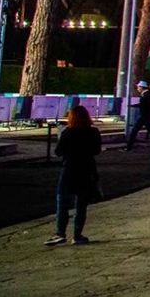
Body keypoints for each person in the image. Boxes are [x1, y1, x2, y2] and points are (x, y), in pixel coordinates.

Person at [47, 104, 103, 245]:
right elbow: (96, 150)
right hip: (86, 169)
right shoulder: (93, 132)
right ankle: (77, 235)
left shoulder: (68, 132)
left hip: (70, 169)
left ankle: (60, 233)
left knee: (62, 203)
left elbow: (58, 152)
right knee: (81, 205)